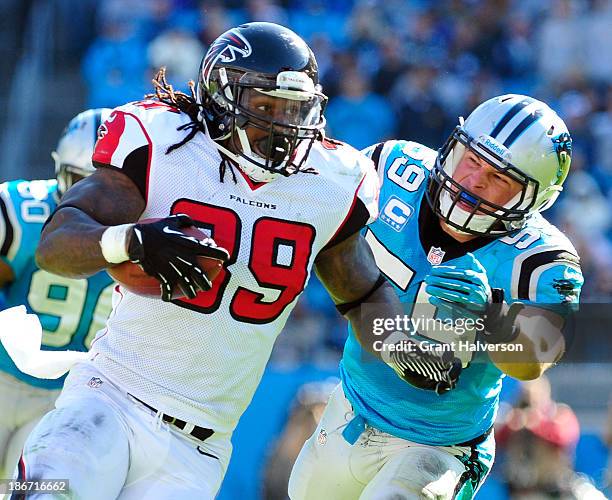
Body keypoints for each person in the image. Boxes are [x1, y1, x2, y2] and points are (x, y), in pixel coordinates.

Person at [17, 23, 448, 499]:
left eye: (293, 109)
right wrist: (134, 242)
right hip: (110, 396)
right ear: (220, 100)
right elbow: (55, 244)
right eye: (264, 107)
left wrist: (401, 346)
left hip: (199, 447)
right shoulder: (164, 142)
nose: (281, 124)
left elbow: (362, 293)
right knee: (48, 490)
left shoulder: (332, 181)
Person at [289, 94, 584, 499]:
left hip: (439, 444)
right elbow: (327, 237)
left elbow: (535, 359)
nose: (473, 180)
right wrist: (387, 335)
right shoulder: (391, 170)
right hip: (350, 408)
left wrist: (491, 321)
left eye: (499, 178)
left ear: (532, 200)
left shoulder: (542, 259)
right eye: (472, 159)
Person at [0, 108, 114, 477]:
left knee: (34, 492)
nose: (96, 202)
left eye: (109, 188)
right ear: (61, 172)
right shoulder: (23, 213)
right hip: (2, 375)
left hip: (69, 397)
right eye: (83, 183)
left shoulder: (148, 236)